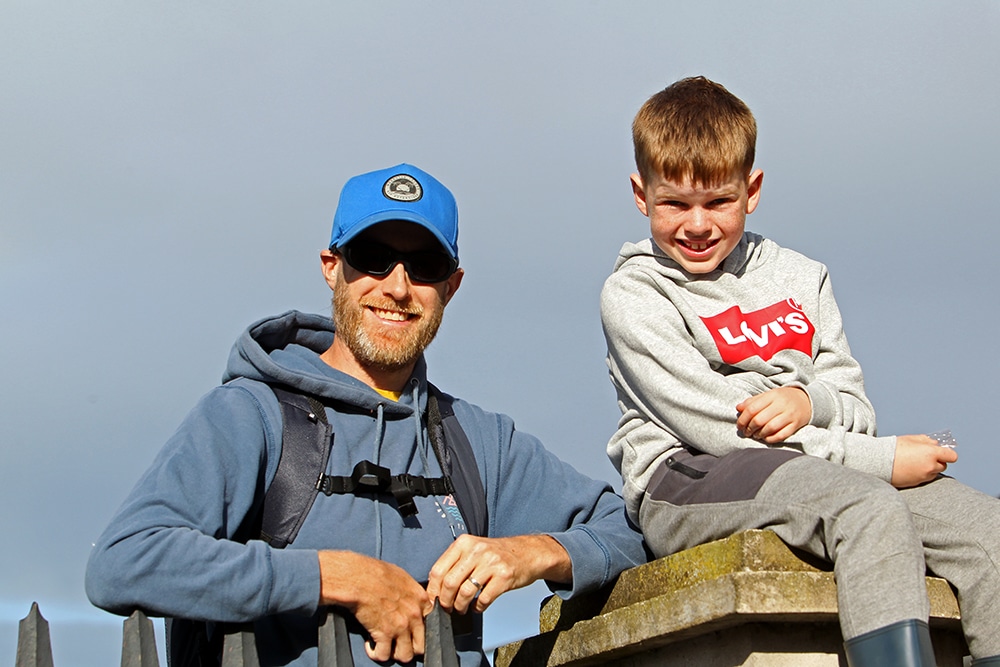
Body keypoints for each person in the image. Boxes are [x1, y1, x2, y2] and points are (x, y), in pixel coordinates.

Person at [86, 163, 647, 666]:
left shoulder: (479, 441)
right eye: (372, 258)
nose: (398, 287)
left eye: (424, 265)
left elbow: (631, 528)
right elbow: (124, 560)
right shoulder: (248, 415)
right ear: (332, 267)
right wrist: (336, 576)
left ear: (451, 287)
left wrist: (535, 552)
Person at [600, 77, 1000, 666]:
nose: (697, 224)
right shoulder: (634, 294)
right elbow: (717, 429)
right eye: (675, 204)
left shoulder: (801, 276)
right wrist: (883, 462)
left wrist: (808, 401)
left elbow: (855, 408)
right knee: (868, 510)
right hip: (687, 472)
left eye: (718, 202)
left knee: (987, 529)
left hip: (812, 459)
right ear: (641, 195)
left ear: (752, 189)